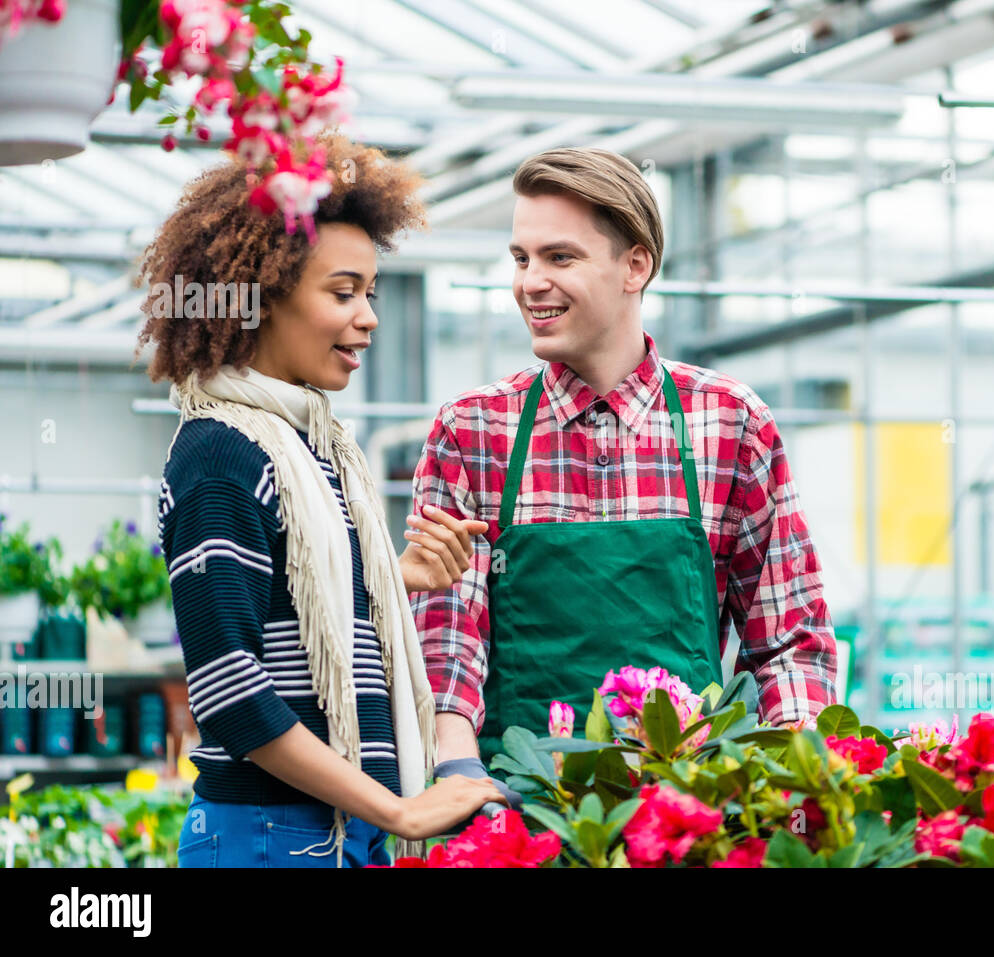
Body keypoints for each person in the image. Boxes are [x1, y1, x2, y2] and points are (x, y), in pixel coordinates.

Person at [137, 133, 502, 868]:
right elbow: (231, 691)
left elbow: (294, 605)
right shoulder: (221, 454)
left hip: (332, 832)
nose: (367, 316)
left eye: (370, 292)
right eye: (343, 293)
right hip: (271, 836)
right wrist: (400, 807)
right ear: (264, 295)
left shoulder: (316, 447)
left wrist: (391, 577)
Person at [411, 146, 838, 772]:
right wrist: (456, 769)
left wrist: (795, 783)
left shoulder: (728, 422)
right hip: (517, 805)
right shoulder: (472, 430)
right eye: (522, 258)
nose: (531, 282)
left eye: (560, 257)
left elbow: (788, 641)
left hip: (690, 805)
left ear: (635, 265)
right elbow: (447, 637)